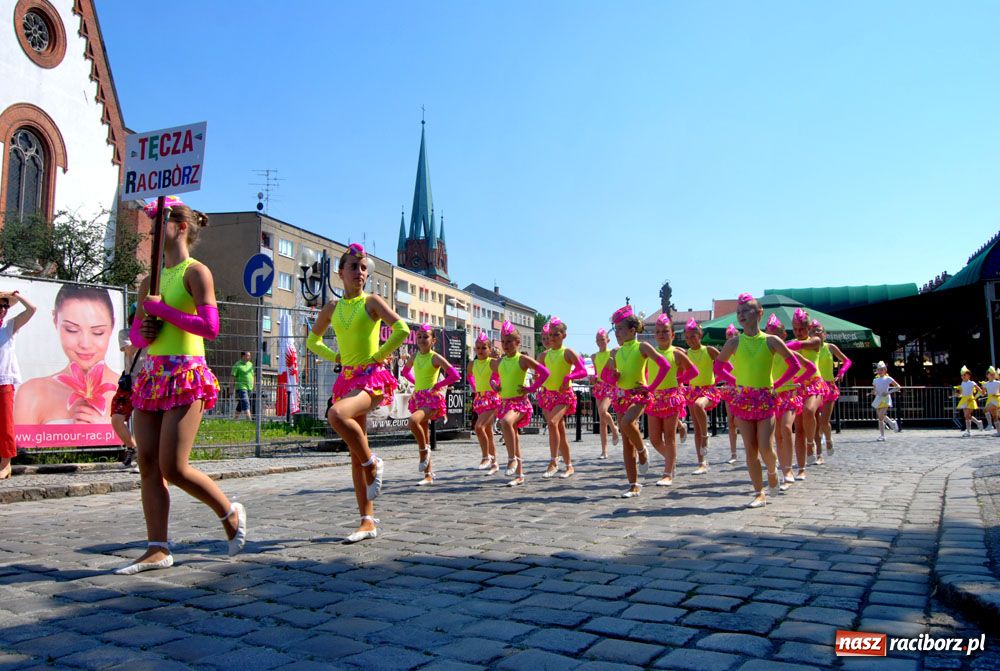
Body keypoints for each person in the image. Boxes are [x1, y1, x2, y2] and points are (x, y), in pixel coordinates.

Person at [114, 199, 244, 574]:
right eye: (151, 224)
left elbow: (210, 327)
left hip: (186, 374)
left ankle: (228, 511)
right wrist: (145, 328)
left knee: (173, 465)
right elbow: (140, 334)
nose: (153, 231)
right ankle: (157, 546)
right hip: (153, 376)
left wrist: (163, 312)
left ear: (181, 227)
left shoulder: (196, 272)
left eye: (160, 223)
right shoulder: (148, 282)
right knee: (148, 464)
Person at [713, 293, 804, 508]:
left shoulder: (771, 340)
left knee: (765, 446)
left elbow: (794, 366)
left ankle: (772, 472)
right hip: (743, 399)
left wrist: (777, 384)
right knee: (750, 448)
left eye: (747, 311)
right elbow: (718, 366)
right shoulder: (734, 342)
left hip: (765, 398)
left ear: (759, 313)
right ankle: (758, 492)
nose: (742, 315)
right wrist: (735, 381)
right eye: (739, 312)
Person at [14, 284, 119, 425]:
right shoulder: (32, 393)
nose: (85, 344)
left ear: (113, 325)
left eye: (98, 332)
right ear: (55, 320)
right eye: (71, 330)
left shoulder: (130, 390)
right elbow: (20, 445)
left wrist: (109, 431)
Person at [599, 304, 670, 498]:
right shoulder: (614, 352)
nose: (617, 333)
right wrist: (614, 373)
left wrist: (651, 387)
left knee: (626, 423)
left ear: (632, 330)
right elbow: (605, 377)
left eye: (620, 329)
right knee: (625, 441)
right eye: (615, 329)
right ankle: (633, 484)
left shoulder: (643, 347)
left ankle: (642, 450)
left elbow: (664, 365)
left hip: (639, 395)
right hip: (621, 396)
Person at [401, 324, 460, 486]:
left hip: (431, 399)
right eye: (419, 336)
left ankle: (423, 452)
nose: (421, 339)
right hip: (419, 397)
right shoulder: (414, 356)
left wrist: (437, 386)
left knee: (412, 421)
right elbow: (404, 372)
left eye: (425, 336)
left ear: (433, 340)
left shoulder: (435, 357)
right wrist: (416, 384)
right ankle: (428, 475)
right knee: (424, 434)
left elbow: (454, 375)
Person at [491, 320, 549, 487]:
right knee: (514, 437)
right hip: (505, 402)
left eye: (509, 341)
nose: (506, 345)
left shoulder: (522, 359)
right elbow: (496, 379)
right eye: (503, 341)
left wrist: (532, 388)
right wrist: (497, 387)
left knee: (506, 422)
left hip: (519, 403)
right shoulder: (501, 362)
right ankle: (519, 475)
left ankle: (511, 459)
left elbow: (544, 372)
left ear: (517, 343)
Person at [647, 314, 696, 487]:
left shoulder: (676, 353)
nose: (661, 334)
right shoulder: (650, 354)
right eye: (658, 332)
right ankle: (671, 460)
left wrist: (679, 379)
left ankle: (667, 472)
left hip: (671, 398)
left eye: (665, 331)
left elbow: (693, 372)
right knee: (654, 438)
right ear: (654, 335)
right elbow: (646, 372)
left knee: (669, 436)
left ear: (673, 335)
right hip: (654, 398)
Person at [537, 317, 587, 479]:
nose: (551, 338)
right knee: (560, 431)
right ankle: (569, 466)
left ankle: (553, 461)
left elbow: (583, 371)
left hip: (564, 396)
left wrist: (568, 377)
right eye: (550, 335)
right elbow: (539, 375)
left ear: (563, 335)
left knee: (552, 423)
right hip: (548, 396)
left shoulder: (568, 352)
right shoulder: (543, 355)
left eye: (555, 335)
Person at [0, 291, 36, 480]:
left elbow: (32, 309)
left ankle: (6, 465)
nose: (3, 310)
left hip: (4, 381)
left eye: (5, 306)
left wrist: (16, 295)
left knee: (5, 424)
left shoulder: (8, 326)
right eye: (0, 306)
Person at [683, 318, 720, 475]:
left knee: (699, 405)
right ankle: (702, 463)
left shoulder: (709, 350)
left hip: (708, 391)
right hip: (692, 390)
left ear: (700, 335)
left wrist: (716, 380)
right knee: (696, 428)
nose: (691, 340)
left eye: (694, 336)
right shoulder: (686, 353)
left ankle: (706, 436)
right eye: (688, 337)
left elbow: (725, 365)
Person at [811, 320, 851, 454]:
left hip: (828, 387)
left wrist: (841, 372)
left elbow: (847, 361)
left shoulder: (830, 347)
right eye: (813, 331)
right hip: (814, 387)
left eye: (819, 331)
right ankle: (818, 453)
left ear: (825, 334)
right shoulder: (808, 348)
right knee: (815, 423)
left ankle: (828, 439)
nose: (816, 333)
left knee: (823, 421)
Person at [112, 305, 143, 472]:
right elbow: (130, 351)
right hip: (129, 383)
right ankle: (133, 448)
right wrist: (143, 334)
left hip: (148, 384)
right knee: (116, 419)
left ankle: (141, 460)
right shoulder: (125, 333)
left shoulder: (158, 335)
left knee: (142, 423)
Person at [468, 332, 500, 473]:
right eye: (478, 348)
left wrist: (496, 384)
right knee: (488, 432)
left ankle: (485, 456)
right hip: (479, 399)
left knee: (479, 427)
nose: (480, 351)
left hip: (492, 398)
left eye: (484, 348)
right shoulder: (472, 364)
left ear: (490, 349)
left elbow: (500, 375)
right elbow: (470, 376)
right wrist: (475, 387)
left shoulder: (492, 362)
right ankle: (494, 463)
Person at [591, 328, 620, 459]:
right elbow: (597, 372)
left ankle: (614, 429)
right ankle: (604, 451)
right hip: (599, 386)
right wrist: (594, 377)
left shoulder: (612, 353)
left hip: (610, 386)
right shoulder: (594, 356)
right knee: (602, 420)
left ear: (607, 340)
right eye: (598, 340)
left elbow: (615, 369)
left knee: (603, 411)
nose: (600, 342)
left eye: (602, 339)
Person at [872, 361, 901, 440]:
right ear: (877, 370)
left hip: (885, 398)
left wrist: (888, 392)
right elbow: (875, 390)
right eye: (879, 369)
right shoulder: (875, 380)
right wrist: (873, 392)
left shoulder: (888, 378)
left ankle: (885, 432)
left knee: (881, 416)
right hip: (878, 398)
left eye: (882, 369)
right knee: (880, 417)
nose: (880, 371)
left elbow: (898, 387)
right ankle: (889, 426)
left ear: (885, 370)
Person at [956, 365, 984, 437]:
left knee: (966, 415)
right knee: (967, 416)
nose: (963, 376)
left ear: (968, 375)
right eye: (962, 375)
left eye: (964, 375)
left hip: (970, 400)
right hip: (964, 400)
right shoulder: (962, 383)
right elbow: (961, 393)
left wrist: (975, 397)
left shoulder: (972, 383)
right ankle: (975, 425)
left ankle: (970, 430)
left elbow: (980, 391)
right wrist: (958, 394)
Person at [231, 352, 254, 421]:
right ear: (243, 356)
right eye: (248, 356)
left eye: (250, 356)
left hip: (249, 387)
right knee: (245, 402)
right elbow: (232, 377)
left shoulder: (250, 364)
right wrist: (231, 388)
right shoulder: (237, 365)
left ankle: (235, 419)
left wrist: (254, 385)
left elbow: (253, 375)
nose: (249, 357)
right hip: (241, 387)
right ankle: (249, 420)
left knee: (241, 403)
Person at [984, 367, 1000, 437]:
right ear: (987, 375)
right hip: (990, 400)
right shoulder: (986, 383)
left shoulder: (998, 382)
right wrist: (982, 388)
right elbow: (983, 393)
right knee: (995, 417)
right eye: (990, 374)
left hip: (997, 400)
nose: (992, 375)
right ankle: (999, 432)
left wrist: (997, 394)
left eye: (993, 374)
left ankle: (990, 424)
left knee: (985, 409)